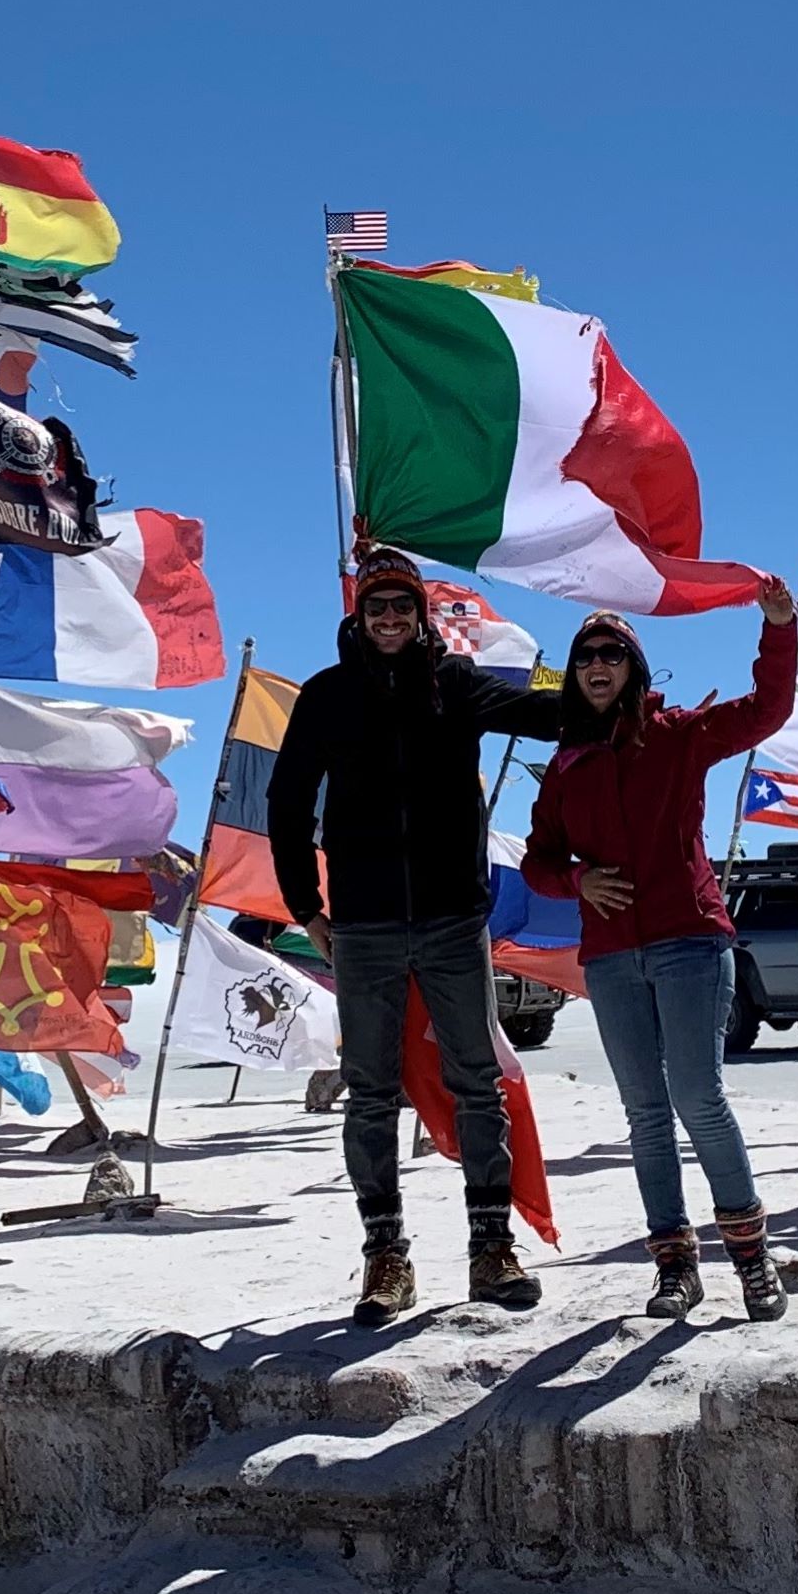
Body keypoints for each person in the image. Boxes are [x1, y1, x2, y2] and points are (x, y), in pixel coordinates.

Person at [270, 548, 565, 1327]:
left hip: (450, 922)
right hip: (362, 926)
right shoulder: (327, 696)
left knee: (476, 1080)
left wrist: (608, 695)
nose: (391, 620)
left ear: (420, 614)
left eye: (402, 607)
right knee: (369, 1092)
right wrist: (307, 907)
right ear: (360, 618)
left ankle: (491, 1247)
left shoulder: (456, 685)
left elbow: (540, 713)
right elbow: (287, 801)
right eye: (379, 609)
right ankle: (385, 1256)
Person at [521, 580, 798, 1320]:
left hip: (689, 942)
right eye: (587, 656)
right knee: (646, 1110)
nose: (598, 663)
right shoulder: (567, 765)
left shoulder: (678, 734)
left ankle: (751, 1258)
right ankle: (675, 1265)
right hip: (611, 956)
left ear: (634, 668)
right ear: (577, 674)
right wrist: (577, 879)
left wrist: (778, 630)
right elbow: (536, 860)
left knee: (698, 1096)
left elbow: (766, 710)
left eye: (612, 652)